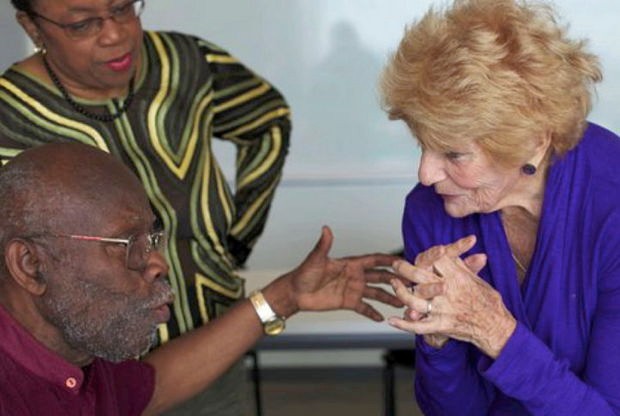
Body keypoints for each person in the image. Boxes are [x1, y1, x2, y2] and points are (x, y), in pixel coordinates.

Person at [0, 1, 291, 414]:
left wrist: (233, 242)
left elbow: (267, 120)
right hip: (89, 374)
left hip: (213, 347)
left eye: (123, 8)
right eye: (83, 24)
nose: (115, 34)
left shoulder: (188, 65)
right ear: (31, 25)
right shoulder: (9, 117)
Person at [0, 142, 403, 416]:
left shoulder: (79, 358)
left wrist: (285, 297)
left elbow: (153, 386)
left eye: (151, 239)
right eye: (126, 243)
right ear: (30, 264)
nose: (157, 262)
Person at [379, 0, 620, 414]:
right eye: (423, 144)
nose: (425, 173)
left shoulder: (610, 201)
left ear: (534, 141)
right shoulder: (430, 211)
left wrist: (496, 332)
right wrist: (436, 340)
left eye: (453, 154)